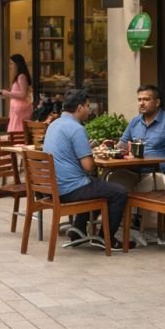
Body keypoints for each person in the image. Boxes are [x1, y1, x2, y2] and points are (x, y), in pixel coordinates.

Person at [42, 88, 130, 249]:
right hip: (69, 190)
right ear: (80, 108)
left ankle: (78, 229)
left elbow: (66, 153)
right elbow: (88, 166)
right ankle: (106, 239)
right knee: (119, 192)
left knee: (95, 184)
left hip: (52, 187)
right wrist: (92, 154)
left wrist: (84, 149)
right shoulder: (76, 128)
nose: (90, 110)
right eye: (88, 106)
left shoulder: (54, 125)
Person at [0, 54, 34, 134]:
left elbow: (23, 94)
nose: (10, 66)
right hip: (16, 110)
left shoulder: (21, 77)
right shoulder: (18, 77)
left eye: (11, 63)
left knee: (18, 129)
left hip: (21, 110)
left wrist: (8, 94)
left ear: (17, 64)